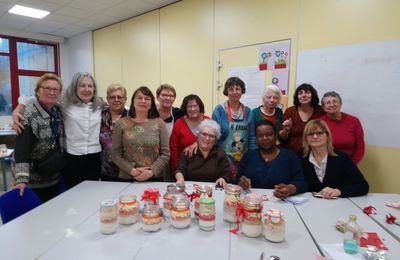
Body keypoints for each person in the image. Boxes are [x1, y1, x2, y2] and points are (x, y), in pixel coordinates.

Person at [13, 72, 103, 189]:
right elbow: (34, 98)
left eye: (90, 86)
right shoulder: (65, 103)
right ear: (75, 88)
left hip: (94, 155)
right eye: (82, 85)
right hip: (72, 155)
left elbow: (121, 107)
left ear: (94, 89)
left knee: (92, 190)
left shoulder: (100, 105)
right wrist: (17, 110)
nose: (86, 89)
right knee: (73, 192)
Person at [14, 73, 64, 202]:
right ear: (37, 91)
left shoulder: (57, 110)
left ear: (59, 93)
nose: (51, 92)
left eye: (55, 89)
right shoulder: (28, 116)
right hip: (35, 182)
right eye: (47, 88)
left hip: (54, 177)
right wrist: (21, 179)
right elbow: (21, 151)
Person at [235, 120, 307, 199]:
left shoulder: (290, 156)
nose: (265, 138)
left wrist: (289, 189)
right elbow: (237, 179)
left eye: (269, 134)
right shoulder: (248, 156)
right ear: (256, 139)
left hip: (282, 204)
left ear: (276, 135)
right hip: (252, 202)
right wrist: (241, 182)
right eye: (260, 135)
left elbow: (302, 182)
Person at [111, 86, 170, 182]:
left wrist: (151, 171)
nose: (143, 101)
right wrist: (133, 171)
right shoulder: (121, 123)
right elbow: (115, 155)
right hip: (128, 176)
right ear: (133, 102)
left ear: (151, 104)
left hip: (154, 176)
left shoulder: (160, 123)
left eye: (147, 99)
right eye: (139, 98)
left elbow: (165, 154)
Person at [301, 119, 369, 199]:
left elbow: (363, 186)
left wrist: (339, 191)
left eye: (319, 133)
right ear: (306, 138)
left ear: (327, 135)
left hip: (339, 206)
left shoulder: (342, 158)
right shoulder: (301, 160)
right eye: (310, 134)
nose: (315, 136)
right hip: (311, 206)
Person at [212, 77, 256, 177]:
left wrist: (254, 157)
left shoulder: (248, 112)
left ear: (242, 91)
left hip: (243, 159)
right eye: (231, 89)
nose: (234, 92)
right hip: (222, 159)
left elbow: (252, 137)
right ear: (226, 92)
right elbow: (213, 136)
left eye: (238, 89)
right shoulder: (219, 110)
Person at [174, 119, 231, 188]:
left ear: (215, 140)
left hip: (212, 191)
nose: (207, 138)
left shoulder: (220, 153)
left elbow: (227, 173)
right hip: (190, 190)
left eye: (211, 136)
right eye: (204, 134)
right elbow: (179, 169)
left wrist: (223, 178)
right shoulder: (188, 151)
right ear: (198, 135)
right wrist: (180, 179)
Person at [320, 91, 365, 164]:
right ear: (323, 107)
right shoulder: (319, 122)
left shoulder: (354, 121)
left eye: (335, 101)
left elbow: (360, 146)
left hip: (350, 163)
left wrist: (352, 164)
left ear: (340, 104)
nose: (332, 104)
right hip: (326, 163)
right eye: (328, 102)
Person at [280, 83, 325, 154]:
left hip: (314, 152)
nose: (303, 95)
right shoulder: (290, 111)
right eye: (300, 93)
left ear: (313, 95)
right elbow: (282, 138)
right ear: (297, 97)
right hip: (292, 152)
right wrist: (286, 130)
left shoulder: (320, 110)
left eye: (307, 92)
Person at [169, 94, 209, 172]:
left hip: (206, 167)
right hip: (184, 168)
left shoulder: (208, 121)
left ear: (200, 107)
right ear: (185, 109)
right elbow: (173, 147)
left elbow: (215, 140)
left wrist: (198, 142)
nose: (193, 109)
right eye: (189, 107)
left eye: (195, 106)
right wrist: (176, 169)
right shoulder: (179, 123)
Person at [100, 84, 129, 181]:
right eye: (112, 97)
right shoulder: (100, 116)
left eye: (120, 97)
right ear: (107, 99)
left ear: (125, 99)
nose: (116, 100)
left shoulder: (133, 118)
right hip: (105, 170)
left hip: (128, 170)